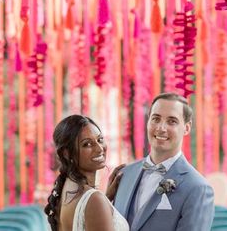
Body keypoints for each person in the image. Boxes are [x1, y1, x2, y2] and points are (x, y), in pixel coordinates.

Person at [111, 93, 215, 231]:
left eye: (172, 121)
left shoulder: (198, 188)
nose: (161, 128)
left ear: (187, 128)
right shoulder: (124, 174)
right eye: (156, 119)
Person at [44, 114, 130, 231]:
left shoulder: (66, 189)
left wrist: (105, 199)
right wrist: (100, 201)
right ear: (67, 153)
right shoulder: (94, 200)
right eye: (87, 144)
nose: (99, 149)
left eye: (100, 140)